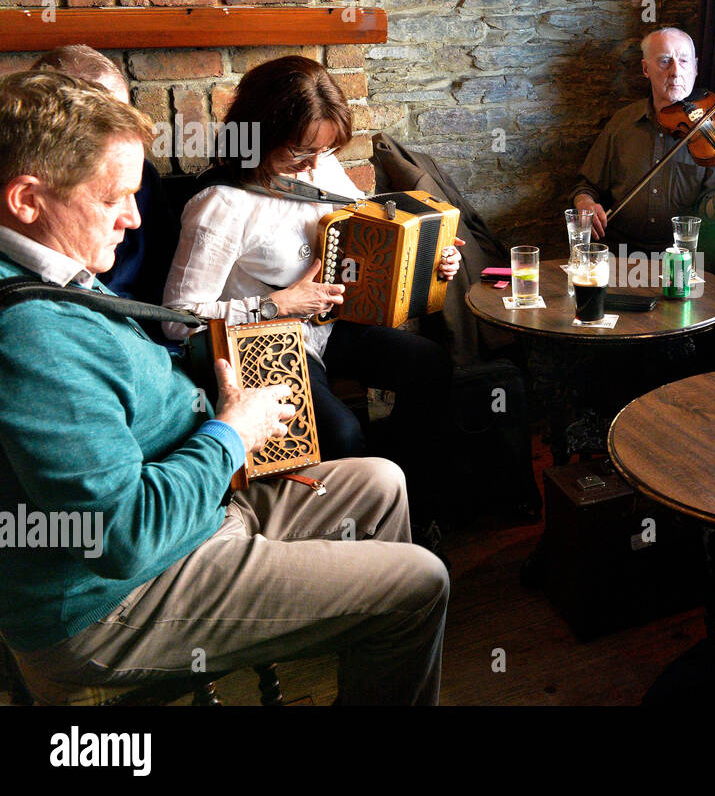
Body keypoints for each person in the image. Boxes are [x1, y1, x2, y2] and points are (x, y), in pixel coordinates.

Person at [0, 70, 448, 705]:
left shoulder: (51, 269)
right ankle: (374, 617)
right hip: (114, 600)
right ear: (27, 200)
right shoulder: (31, 336)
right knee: (420, 582)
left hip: (194, 511)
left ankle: (362, 640)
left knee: (381, 481)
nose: (133, 219)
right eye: (112, 199)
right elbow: (121, 536)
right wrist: (232, 434)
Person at [163, 56, 462, 519]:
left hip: (330, 324)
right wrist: (274, 304)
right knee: (339, 431)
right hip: (263, 340)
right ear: (259, 135)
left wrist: (432, 261)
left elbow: (369, 235)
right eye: (298, 155)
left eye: (321, 152)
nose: (311, 168)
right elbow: (174, 321)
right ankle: (351, 531)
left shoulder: (321, 166)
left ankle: (407, 500)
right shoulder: (219, 205)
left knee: (431, 365)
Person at [572, 27, 715, 252]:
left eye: (684, 61)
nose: (676, 71)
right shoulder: (622, 122)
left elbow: (713, 217)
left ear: (695, 68)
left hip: (681, 256)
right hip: (619, 251)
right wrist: (585, 203)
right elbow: (586, 185)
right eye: (665, 61)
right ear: (646, 69)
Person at [30, 44, 179, 307]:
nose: (133, 219)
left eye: (121, 114)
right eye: (96, 116)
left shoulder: (143, 174)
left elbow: (168, 271)